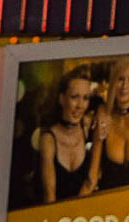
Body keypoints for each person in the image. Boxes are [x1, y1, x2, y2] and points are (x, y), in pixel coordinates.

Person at [39, 68, 99, 203]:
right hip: (55, 217)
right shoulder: (48, 139)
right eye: (74, 97)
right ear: (62, 99)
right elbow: (49, 197)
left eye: (85, 98)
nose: (80, 106)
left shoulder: (88, 129)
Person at [94, 57, 129, 192]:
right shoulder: (104, 117)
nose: (124, 86)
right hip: (108, 207)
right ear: (113, 82)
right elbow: (91, 178)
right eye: (120, 79)